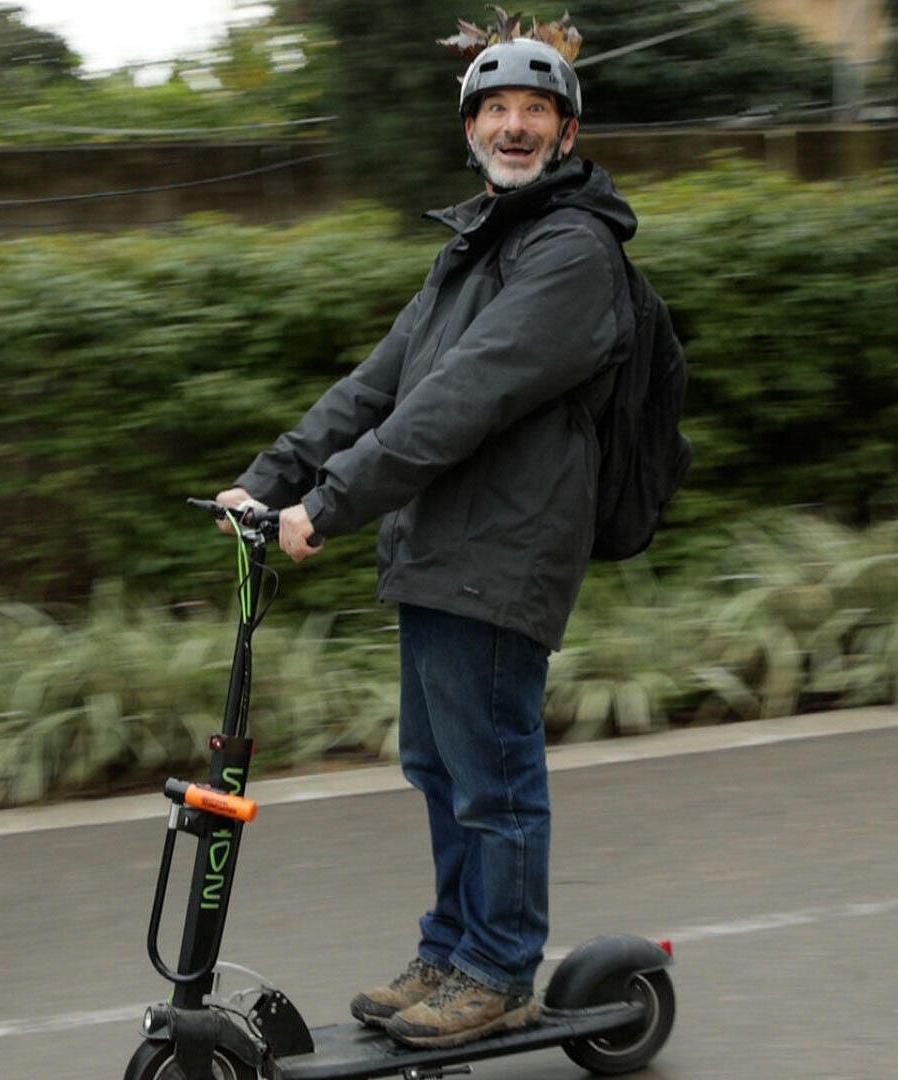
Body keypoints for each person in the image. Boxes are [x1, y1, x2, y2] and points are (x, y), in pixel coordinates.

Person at [215, 34, 640, 1050]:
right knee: (440, 769)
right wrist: (269, 478)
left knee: (490, 774)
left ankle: (498, 968)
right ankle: (451, 948)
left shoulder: (571, 252)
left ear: (567, 132)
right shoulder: (473, 251)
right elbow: (378, 384)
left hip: (504, 550)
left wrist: (329, 503)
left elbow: (462, 397)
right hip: (443, 545)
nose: (513, 125)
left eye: (536, 111)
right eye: (493, 111)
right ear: (469, 131)